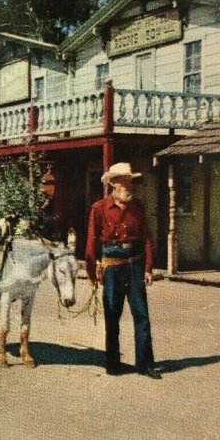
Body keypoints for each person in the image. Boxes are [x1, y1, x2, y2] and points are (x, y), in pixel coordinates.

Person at [85, 162, 161, 380]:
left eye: (130, 182)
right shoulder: (99, 208)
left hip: (135, 266)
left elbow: (146, 237)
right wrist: (93, 272)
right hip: (111, 269)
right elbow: (91, 242)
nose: (130, 186)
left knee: (142, 316)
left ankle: (146, 365)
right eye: (125, 182)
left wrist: (148, 267)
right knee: (112, 316)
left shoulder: (137, 206)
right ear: (113, 184)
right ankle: (113, 364)